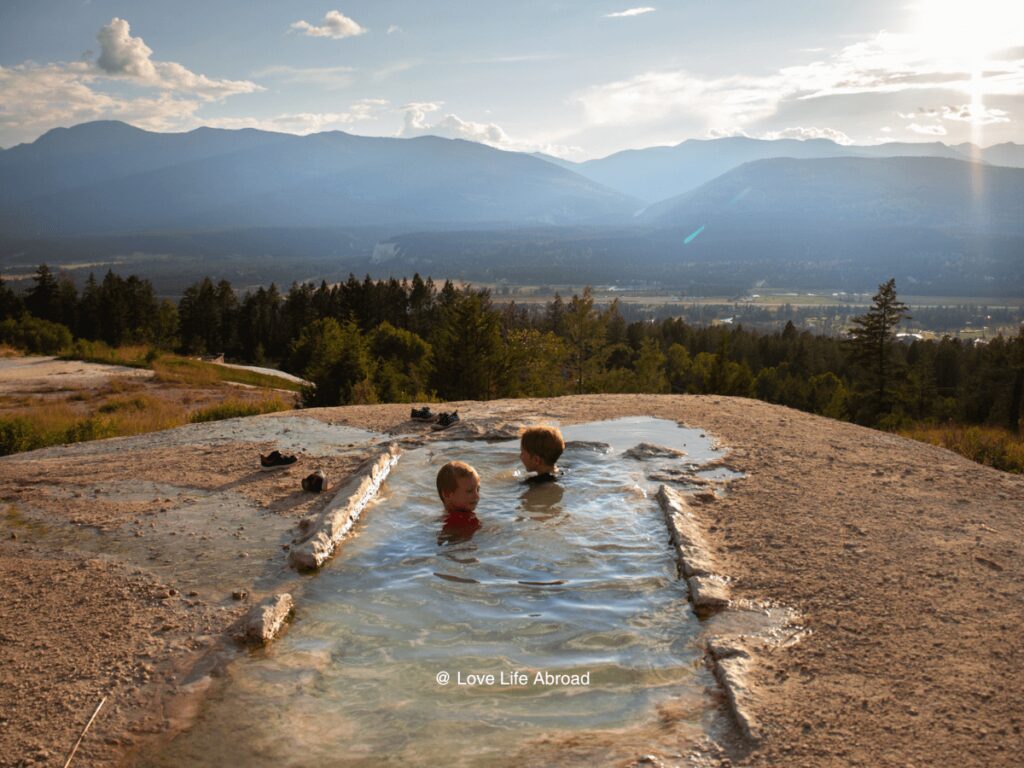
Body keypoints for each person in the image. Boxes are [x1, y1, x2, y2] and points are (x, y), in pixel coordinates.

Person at [436, 460, 481, 543]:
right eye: (469, 491)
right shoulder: (454, 522)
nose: (477, 496)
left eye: (477, 489)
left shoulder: (463, 515)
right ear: (447, 494)